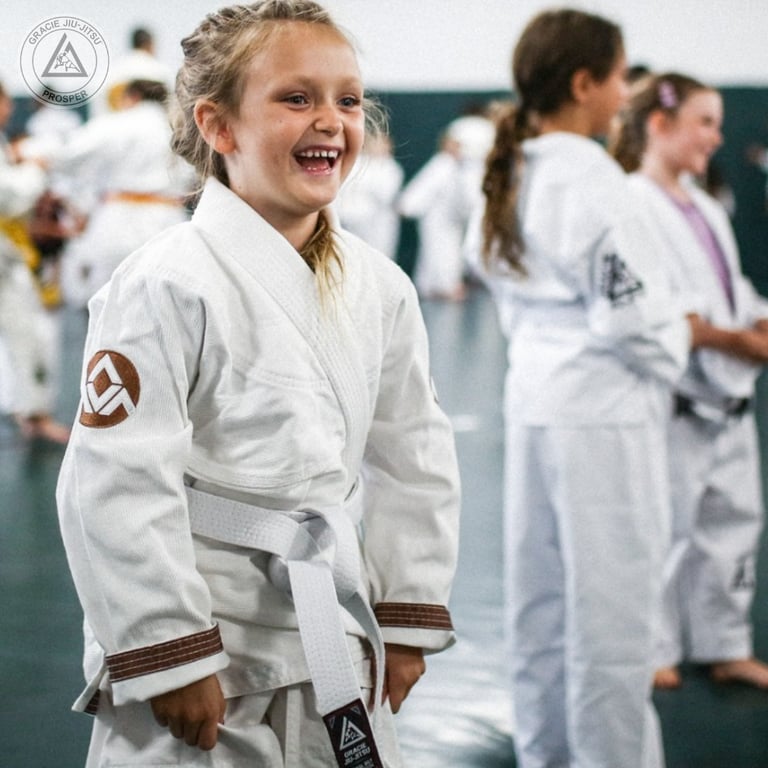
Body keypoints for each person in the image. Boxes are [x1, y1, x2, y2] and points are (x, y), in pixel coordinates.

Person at [56, 2, 460, 767]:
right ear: (218, 126)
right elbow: (113, 479)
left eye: (348, 100)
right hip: (211, 640)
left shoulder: (381, 286)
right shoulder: (165, 281)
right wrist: (170, 647)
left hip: (334, 630)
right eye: (296, 98)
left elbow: (416, 455)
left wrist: (405, 613)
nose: (331, 120)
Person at [475, 10, 704, 767]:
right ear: (583, 83)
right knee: (613, 614)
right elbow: (632, 318)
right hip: (604, 412)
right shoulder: (595, 181)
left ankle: (547, 753)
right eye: (618, 77)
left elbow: (500, 280)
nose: (625, 93)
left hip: (535, 397)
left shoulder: (514, 169)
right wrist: (676, 349)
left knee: (541, 602)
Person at [611, 72, 768, 690]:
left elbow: (731, 288)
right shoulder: (631, 203)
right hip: (678, 400)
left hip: (732, 397)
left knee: (735, 523)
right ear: (660, 124)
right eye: (704, 122)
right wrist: (739, 342)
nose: (716, 137)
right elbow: (662, 314)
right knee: (667, 526)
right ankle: (655, 648)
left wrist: (756, 318)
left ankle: (725, 644)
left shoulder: (704, 205)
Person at [51, 78, 193, 309]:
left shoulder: (116, 123)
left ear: (132, 97)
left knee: (110, 305)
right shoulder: (180, 129)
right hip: (170, 222)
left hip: (119, 222)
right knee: (164, 306)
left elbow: (68, 155)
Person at [0, 81, 69, 444]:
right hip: (6, 256)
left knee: (29, 334)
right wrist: (33, 169)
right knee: (28, 333)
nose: (10, 109)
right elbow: (9, 197)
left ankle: (33, 413)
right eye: (5, 101)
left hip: (8, 259)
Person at [335, 131, 404, 260]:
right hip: (348, 220)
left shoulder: (391, 168)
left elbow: (386, 195)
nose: (377, 147)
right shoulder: (355, 163)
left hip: (378, 223)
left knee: (378, 257)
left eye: (381, 144)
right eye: (374, 143)